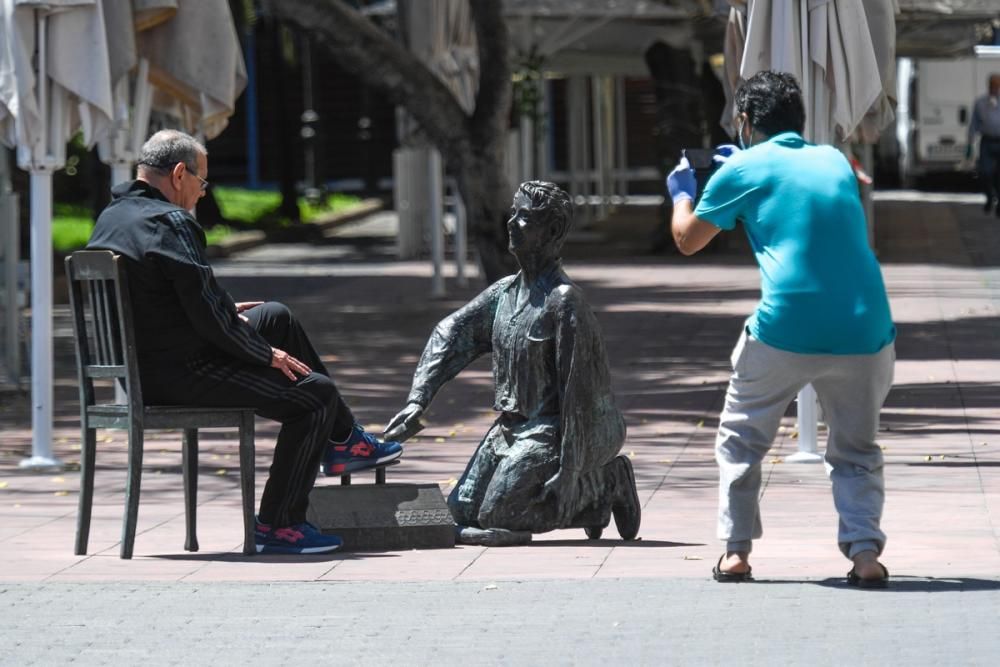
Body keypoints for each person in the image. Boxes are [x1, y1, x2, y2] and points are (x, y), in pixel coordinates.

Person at [86, 129, 402, 555]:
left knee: (274, 316)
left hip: (146, 366)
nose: (201, 194)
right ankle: (279, 524)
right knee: (315, 397)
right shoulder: (171, 222)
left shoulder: (113, 217)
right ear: (180, 174)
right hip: (180, 373)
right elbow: (207, 318)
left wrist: (230, 314)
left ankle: (346, 440)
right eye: (202, 183)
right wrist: (265, 354)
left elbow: (181, 300)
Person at [667, 71, 896, 587]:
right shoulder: (835, 159)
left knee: (741, 438)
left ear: (745, 122)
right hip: (867, 326)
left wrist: (682, 190)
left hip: (785, 327)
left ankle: (736, 553)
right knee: (856, 450)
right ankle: (865, 557)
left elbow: (687, 240)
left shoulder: (741, 169)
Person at [385, 181, 640, 546]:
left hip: (559, 429)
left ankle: (606, 481)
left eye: (525, 217)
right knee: (460, 512)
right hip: (509, 429)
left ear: (551, 231)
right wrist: (417, 400)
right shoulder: (504, 292)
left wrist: (569, 469)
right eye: (513, 214)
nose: (512, 223)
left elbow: (580, 393)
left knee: (499, 519)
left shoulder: (563, 301)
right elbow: (450, 335)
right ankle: (590, 502)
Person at [967, 73, 1000, 215]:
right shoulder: (980, 102)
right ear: (989, 86)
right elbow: (973, 124)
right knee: (985, 172)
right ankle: (989, 196)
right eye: (993, 85)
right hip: (987, 141)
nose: (995, 88)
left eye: (997, 85)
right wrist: (969, 143)